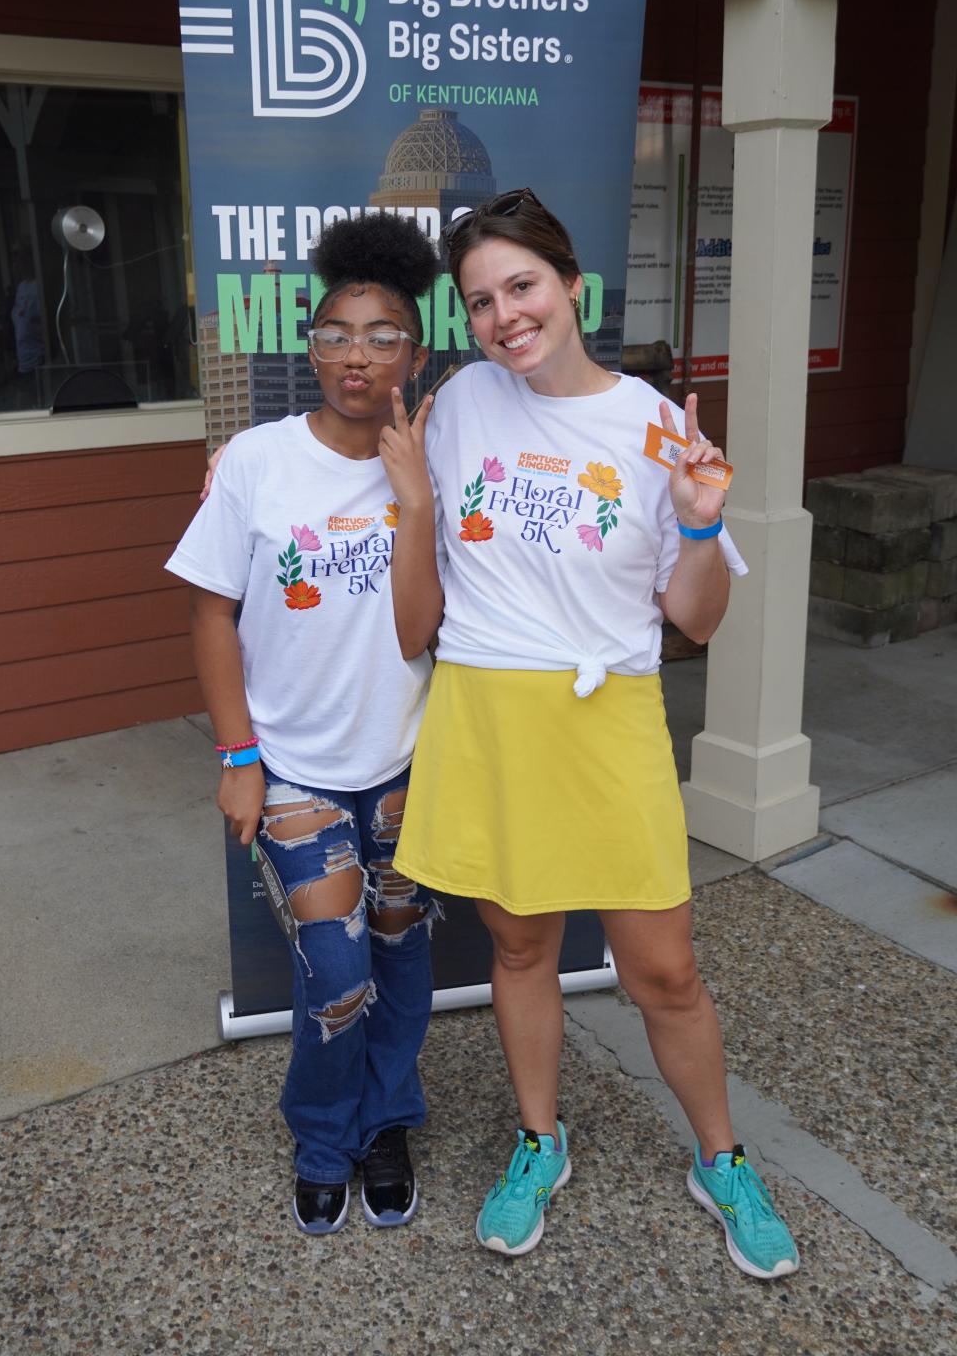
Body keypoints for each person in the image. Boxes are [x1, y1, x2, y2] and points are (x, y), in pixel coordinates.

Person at [379, 189, 800, 1279]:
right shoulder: (461, 400)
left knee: (664, 969)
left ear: (573, 286)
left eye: (521, 286)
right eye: (479, 301)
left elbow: (696, 618)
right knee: (521, 946)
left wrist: (703, 522)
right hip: (485, 710)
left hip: (604, 714)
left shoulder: (653, 424)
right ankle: (538, 1141)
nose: (503, 315)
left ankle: (723, 1161)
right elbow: (400, 553)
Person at [166, 213, 442, 1236]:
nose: (356, 355)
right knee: (336, 974)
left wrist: (414, 504)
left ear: (412, 354)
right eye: (336, 333)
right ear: (310, 344)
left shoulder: (430, 464)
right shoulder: (255, 462)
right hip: (296, 771)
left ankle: (387, 1122)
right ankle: (322, 1133)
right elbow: (210, 611)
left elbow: (420, 631)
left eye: (382, 337)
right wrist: (238, 756)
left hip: (409, 762)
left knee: (402, 953)